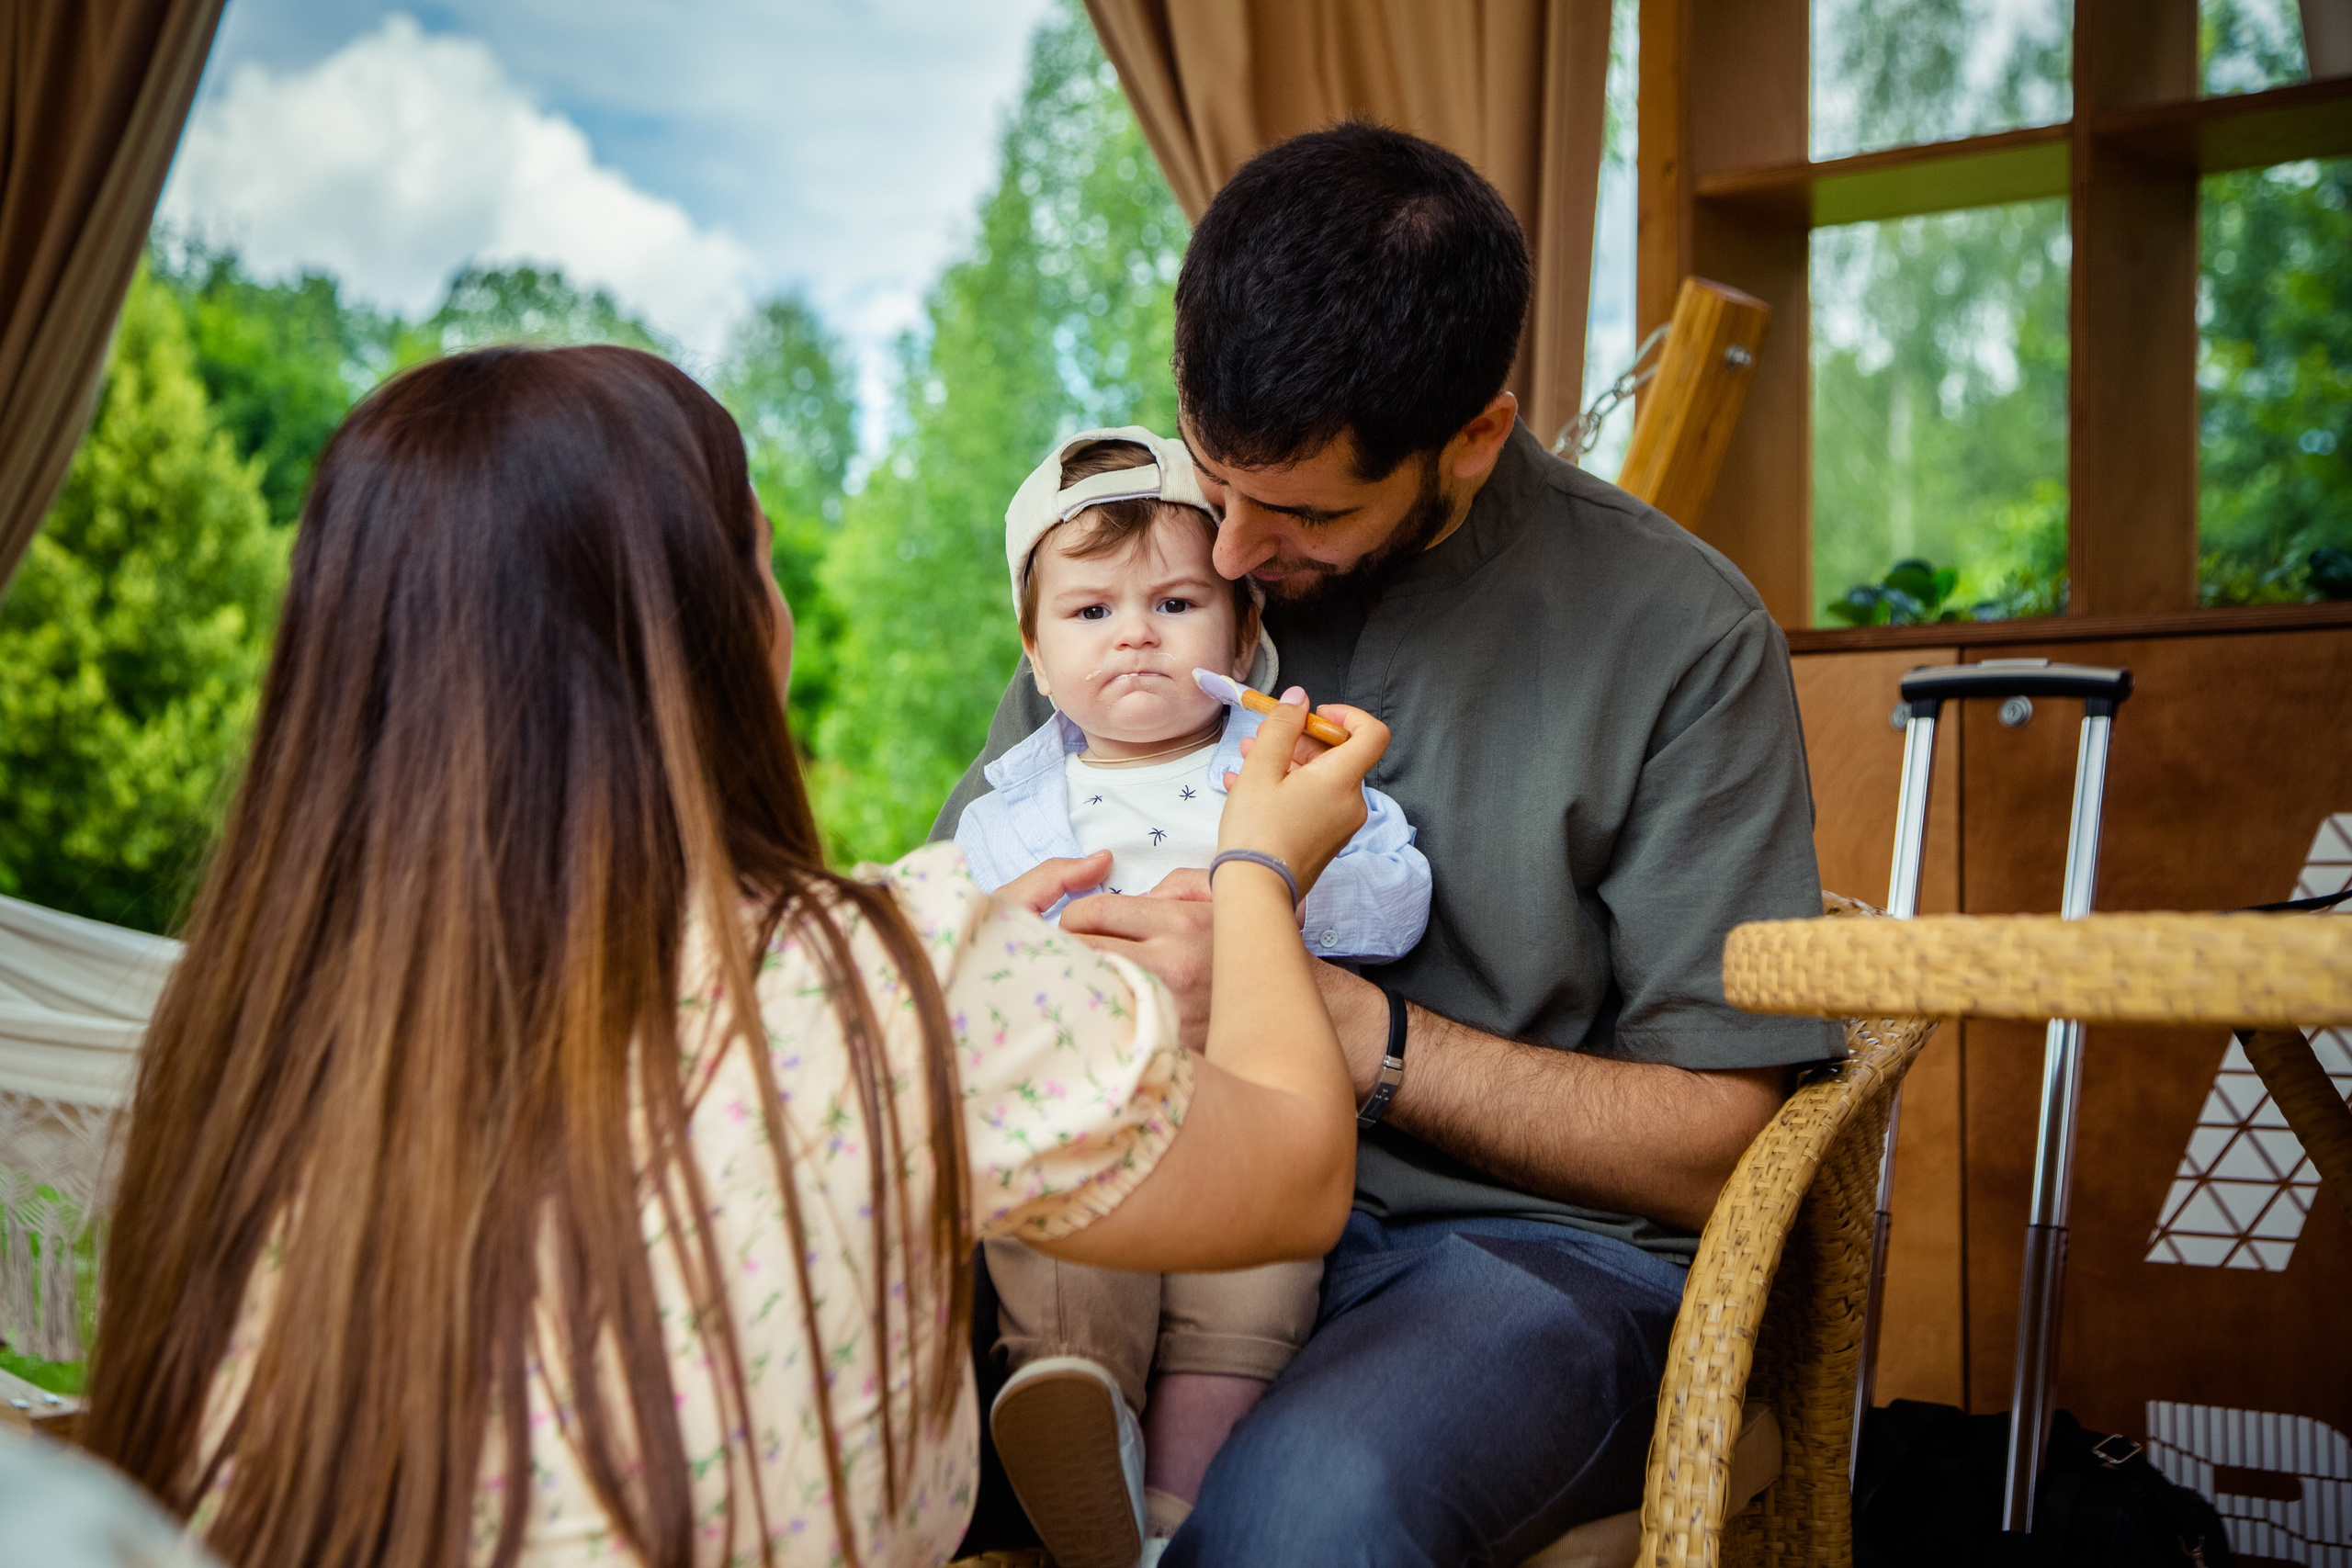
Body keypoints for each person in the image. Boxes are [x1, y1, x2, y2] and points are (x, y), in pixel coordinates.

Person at [78, 344, 1392, 1568]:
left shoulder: (232, 1046)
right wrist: (1259, 868)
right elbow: (1291, 1167)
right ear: (706, 634)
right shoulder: (899, 979)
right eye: (760, 560)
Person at [933, 122, 1846, 1562]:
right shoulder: (1146, 579)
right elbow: (971, 911)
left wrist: (1341, 1022)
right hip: (1160, 1186)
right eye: (1217, 476)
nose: (1226, 556)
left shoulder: (1676, 634)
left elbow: (1717, 1142)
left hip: (1510, 1254)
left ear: (1473, 435)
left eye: (1302, 512)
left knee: (1302, 1516)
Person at [953, 428, 1431, 1566]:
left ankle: (1169, 1519)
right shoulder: (1004, 810)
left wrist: (1271, 885)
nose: (1134, 636)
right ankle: (1082, 1420)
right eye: (1088, 614)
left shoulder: (1276, 768)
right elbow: (957, 989)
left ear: (1245, 634)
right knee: (1059, 1246)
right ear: (1032, 648)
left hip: (1248, 1109)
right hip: (1084, 1124)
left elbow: (1398, 903)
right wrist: (992, 938)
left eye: (1174, 605)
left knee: (1244, 1309)